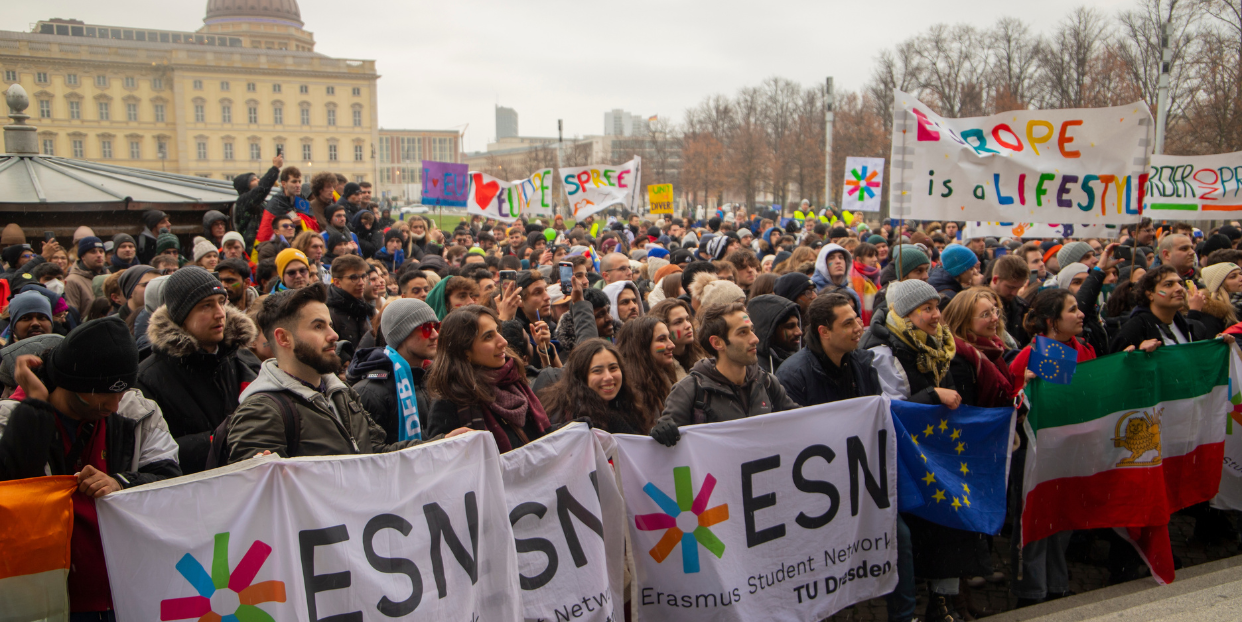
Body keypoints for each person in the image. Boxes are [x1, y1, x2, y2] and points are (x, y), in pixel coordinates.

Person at [0, 317, 181, 618]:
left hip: (127, 587)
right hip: (46, 590)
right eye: (104, 392)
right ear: (74, 383)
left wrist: (120, 483)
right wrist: (36, 408)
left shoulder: (138, 411)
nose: (114, 403)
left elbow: (170, 480)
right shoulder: (10, 417)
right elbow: (14, 485)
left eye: (122, 390)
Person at [226, 284, 464, 462]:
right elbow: (260, 503)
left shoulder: (341, 394)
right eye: (318, 326)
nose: (333, 335)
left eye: (330, 325)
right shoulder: (261, 410)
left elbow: (377, 453)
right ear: (283, 338)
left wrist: (441, 444)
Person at [136, 267, 257, 474]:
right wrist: (219, 441)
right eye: (206, 306)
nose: (220, 314)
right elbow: (154, 454)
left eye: (221, 301)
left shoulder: (237, 359)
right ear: (181, 316)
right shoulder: (149, 377)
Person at [649, 302, 800, 446]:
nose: (755, 339)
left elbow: (800, 422)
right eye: (742, 332)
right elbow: (668, 452)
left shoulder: (767, 383)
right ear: (717, 343)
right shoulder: (689, 391)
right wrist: (663, 432)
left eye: (751, 330)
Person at [425, 305, 550, 452]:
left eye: (498, 331)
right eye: (488, 337)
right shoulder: (450, 402)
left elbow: (542, 436)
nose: (503, 341)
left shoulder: (513, 381)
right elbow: (444, 461)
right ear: (465, 352)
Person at [347, 298, 438, 442]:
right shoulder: (369, 392)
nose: (435, 335)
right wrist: (440, 442)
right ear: (401, 334)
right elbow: (373, 454)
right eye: (425, 328)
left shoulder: (435, 379)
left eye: (436, 327)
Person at [943, 287, 1015, 409]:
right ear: (964, 322)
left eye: (994, 310)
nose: (995, 318)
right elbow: (967, 411)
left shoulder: (992, 349)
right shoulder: (956, 360)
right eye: (985, 314)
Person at [1110, 265, 1207, 352]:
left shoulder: (1182, 324)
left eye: (1180, 283)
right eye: (1169, 285)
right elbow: (1117, 364)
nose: (1179, 288)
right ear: (1150, 294)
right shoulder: (1135, 329)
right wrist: (1138, 354)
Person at [614, 317, 678, 430]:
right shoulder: (628, 392)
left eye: (669, 338)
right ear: (642, 346)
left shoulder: (666, 377)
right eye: (662, 339)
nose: (672, 345)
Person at [325, 255, 374, 349]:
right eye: (354, 278)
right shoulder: (329, 313)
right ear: (337, 282)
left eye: (363, 276)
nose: (361, 282)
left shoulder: (365, 308)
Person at [233, 154, 283, 245]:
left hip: (264, 244)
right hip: (252, 247)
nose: (258, 180)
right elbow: (262, 189)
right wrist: (275, 168)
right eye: (253, 180)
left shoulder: (260, 202)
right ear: (245, 185)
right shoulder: (243, 201)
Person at [648, 298, 705, 378]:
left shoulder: (703, 355)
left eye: (687, 319)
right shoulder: (659, 369)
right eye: (678, 322)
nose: (688, 325)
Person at [988, 254, 1035, 348]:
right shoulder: (975, 304)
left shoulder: (1022, 306)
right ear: (995, 279)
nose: (1015, 293)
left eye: (1019, 288)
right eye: (1010, 287)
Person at [747, 293, 802, 373]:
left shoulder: (803, 361)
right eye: (790, 326)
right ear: (770, 331)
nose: (799, 332)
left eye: (798, 325)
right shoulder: (753, 370)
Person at [1194, 262, 1242, 337]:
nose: (1241, 278)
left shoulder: (1238, 306)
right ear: (1219, 285)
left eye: (1240, 274)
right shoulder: (1212, 313)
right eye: (1233, 277)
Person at [65, 237, 106, 317]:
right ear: (83, 256)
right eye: (93, 252)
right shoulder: (72, 281)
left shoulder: (110, 276)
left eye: (101, 251)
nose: (99, 255)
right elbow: (72, 315)